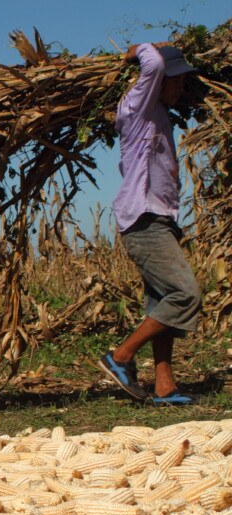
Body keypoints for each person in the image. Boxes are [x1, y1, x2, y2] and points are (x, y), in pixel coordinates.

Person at [96, 43, 201, 406]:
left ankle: (164, 386)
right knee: (184, 295)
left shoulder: (159, 112)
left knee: (160, 304)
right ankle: (120, 356)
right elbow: (153, 61)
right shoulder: (137, 106)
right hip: (143, 218)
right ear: (162, 79)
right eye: (178, 80)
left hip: (160, 217)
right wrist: (137, 49)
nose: (181, 88)